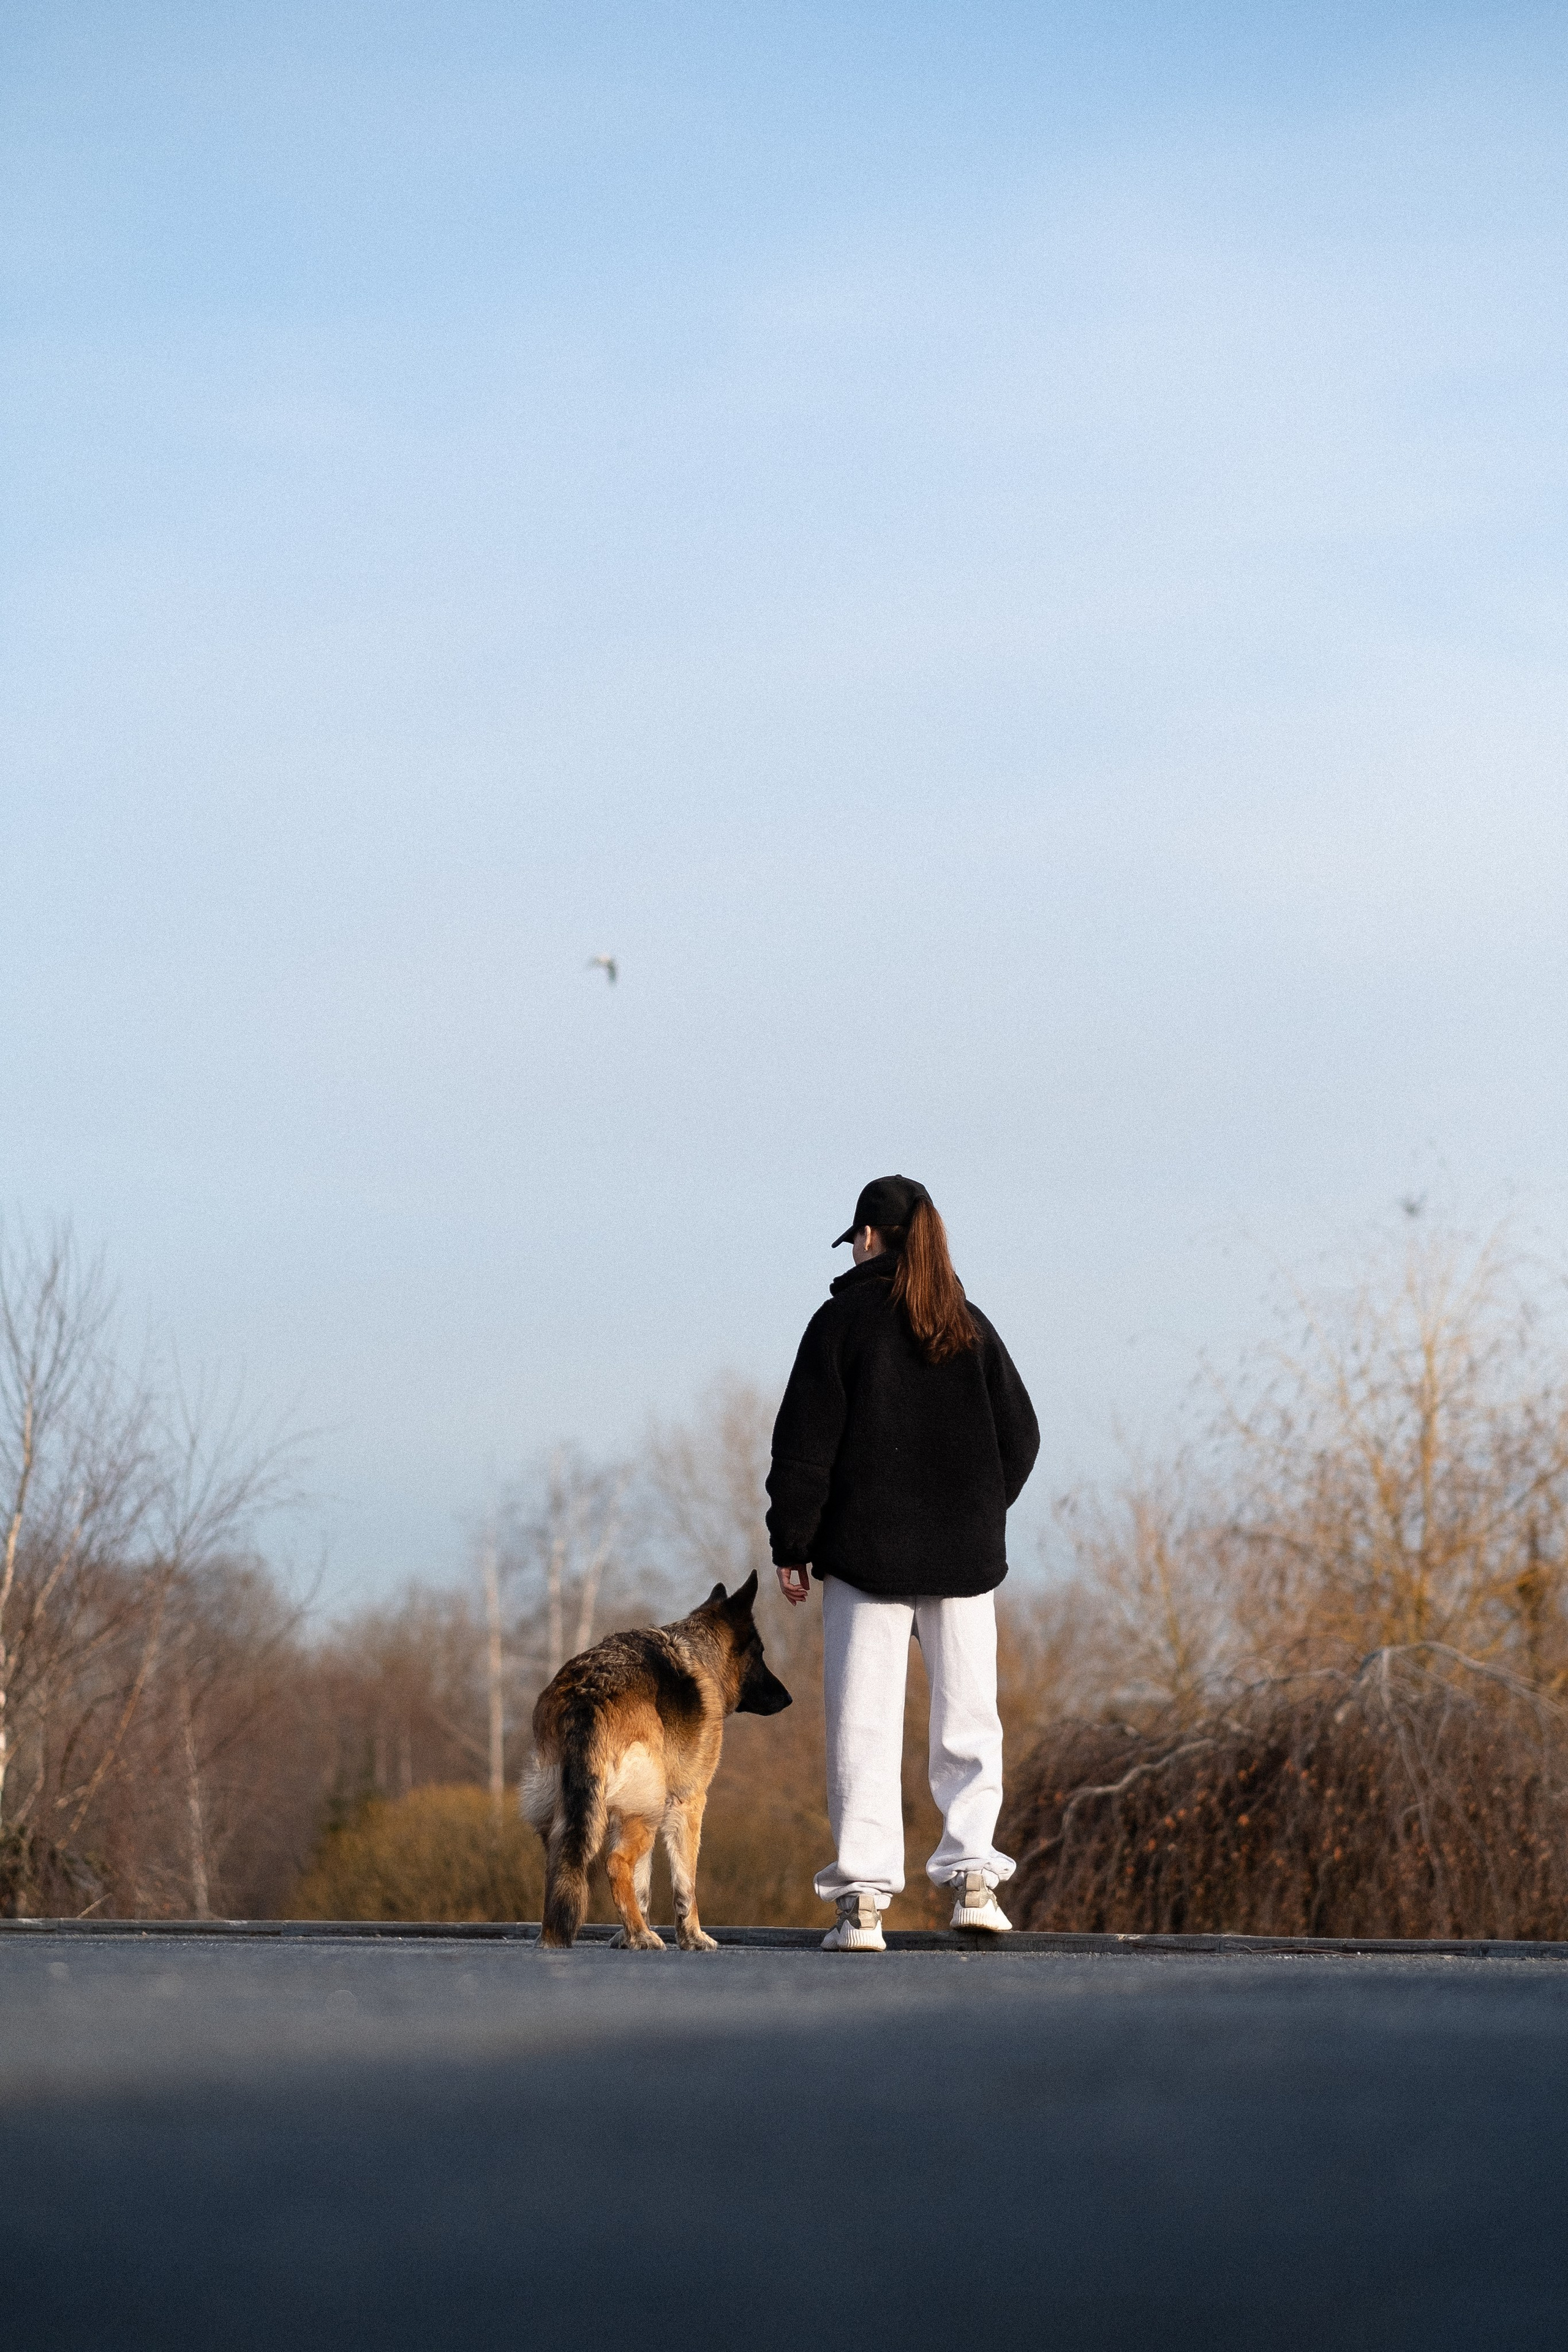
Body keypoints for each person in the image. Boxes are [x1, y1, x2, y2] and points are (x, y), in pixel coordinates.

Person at [766, 1174, 1040, 1952]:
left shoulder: (839, 1323)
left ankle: (861, 1903)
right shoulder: (970, 1325)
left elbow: (803, 1448)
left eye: (854, 1237)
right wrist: (977, 1515)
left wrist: (794, 1542)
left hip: (864, 1558)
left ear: (867, 1238)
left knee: (863, 1725)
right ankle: (973, 1880)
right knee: (967, 1719)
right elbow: (1021, 1438)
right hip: (965, 1560)